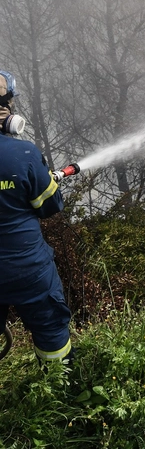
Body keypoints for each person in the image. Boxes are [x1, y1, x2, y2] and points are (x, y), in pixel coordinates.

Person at [0, 69, 73, 363]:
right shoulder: (25, 154)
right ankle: (55, 384)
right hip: (27, 269)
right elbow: (50, 206)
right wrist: (43, 178)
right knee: (50, 328)